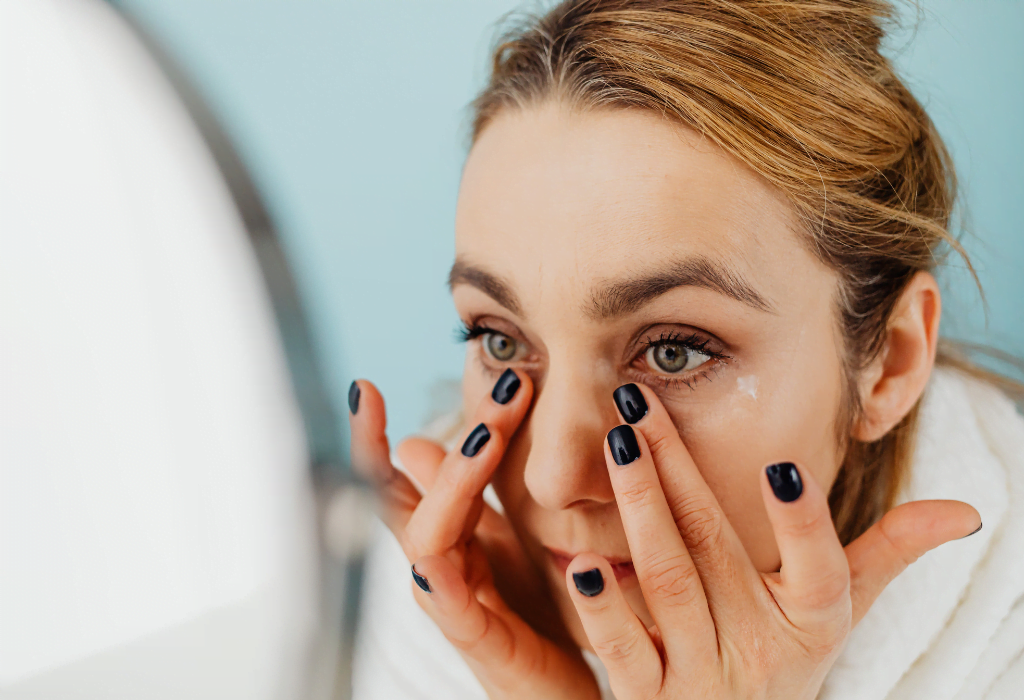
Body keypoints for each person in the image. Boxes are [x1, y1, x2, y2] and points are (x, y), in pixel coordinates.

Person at [349, 1, 1024, 698]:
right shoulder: (423, 602)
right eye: (500, 340)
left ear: (891, 361)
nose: (552, 478)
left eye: (674, 352)